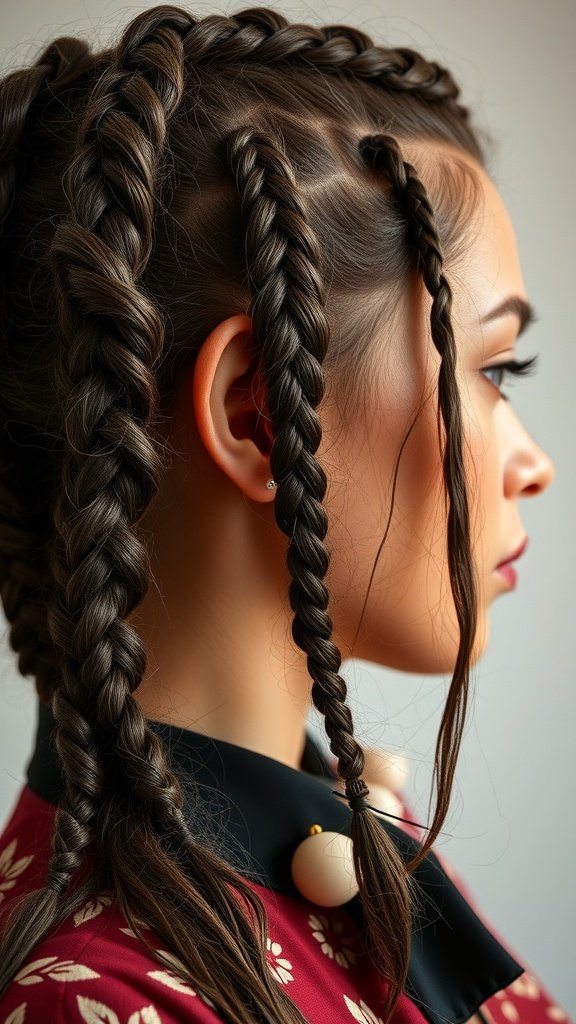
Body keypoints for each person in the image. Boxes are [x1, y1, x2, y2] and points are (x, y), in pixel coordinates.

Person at [0, 4, 570, 1023]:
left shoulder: (349, 858)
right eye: (492, 370)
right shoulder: (102, 1004)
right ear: (260, 411)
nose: (537, 466)